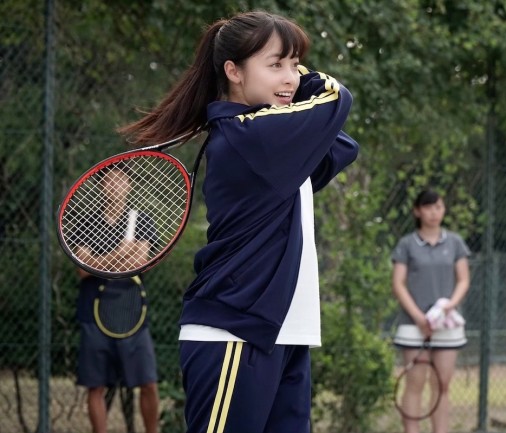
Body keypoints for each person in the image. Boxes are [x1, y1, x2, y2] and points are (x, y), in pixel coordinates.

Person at [116, 10, 359, 433]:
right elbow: (338, 98)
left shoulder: (269, 137)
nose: (290, 77)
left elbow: (341, 147)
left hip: (285, 333)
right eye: (277, 64)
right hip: (234, 334)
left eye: (294, 63)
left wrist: (285, 83)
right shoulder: (249, 135)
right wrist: (308, 79)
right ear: (233, 71)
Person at [73, 166, 159, 433]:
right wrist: (119, 254)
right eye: (108, 181)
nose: (114, 185)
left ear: (129, 185)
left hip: (132, 313)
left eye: (120, 180)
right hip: (93, 314)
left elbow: (140, 263)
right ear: (101, 187)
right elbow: (81, 270)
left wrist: (99, 261)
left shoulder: (140, 220)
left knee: (148, 384)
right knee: (95, 386)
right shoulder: (87, 222)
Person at [391, 190, 471, 433]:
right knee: (415, 383)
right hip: (413, 326)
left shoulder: (455, 243)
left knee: (442, 385)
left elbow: (463, 280)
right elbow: (398, 284)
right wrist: (418, 317)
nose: (434, 213)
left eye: (438, 207)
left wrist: (449, 306)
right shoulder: (406, 244)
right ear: (417, 211)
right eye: (428, 207)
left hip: (447, 326)